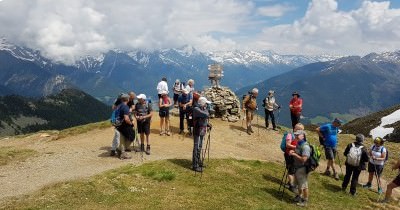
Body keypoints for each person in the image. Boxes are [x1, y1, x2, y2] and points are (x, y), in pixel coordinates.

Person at [289, 130, 310, 207]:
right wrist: (293, 151)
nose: (296, 136)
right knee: (298, 184)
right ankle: (299, 196)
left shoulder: (305, 147)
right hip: (297, 167)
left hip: (302, 169)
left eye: (298, 135)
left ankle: (305, 201)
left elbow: (304, 159)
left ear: (303, 136)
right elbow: (297, 152)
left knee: (304, 186)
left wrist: (294, 154)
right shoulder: (299, 143)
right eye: (296, 135)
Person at [192, 97, 211, 172]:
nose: (206, 104)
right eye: (206, 103)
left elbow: (204, 118)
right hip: (197, 130)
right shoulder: (196, 109)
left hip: (202, 129)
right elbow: (206, 115)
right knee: (196, 147)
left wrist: (207, 124)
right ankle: (195, 165)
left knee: (200, 146)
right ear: (202, 103)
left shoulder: (202, 109)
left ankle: (199, 161)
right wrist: (207, 109)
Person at [284, 123, 305, 192]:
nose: (300, 131)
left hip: (296, 156)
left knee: (294, 170)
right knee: (291, 170)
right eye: (298, 129)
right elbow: (287, 145)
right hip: (289, 155)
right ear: (294, 129)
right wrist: (297, 147)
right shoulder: (290, 135)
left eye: (301, 130)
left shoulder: (301, 137)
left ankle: (289, 183)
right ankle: (292, 186)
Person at [116, 93, 135, 159]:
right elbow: (126, 118)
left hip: (118, 125)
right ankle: (122, 151)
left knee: (123, 138)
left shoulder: (120, 105)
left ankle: (120, 150)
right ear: (127, 99)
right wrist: (131, 123)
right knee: (132, 135)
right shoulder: (125, 107)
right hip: (124, 125)